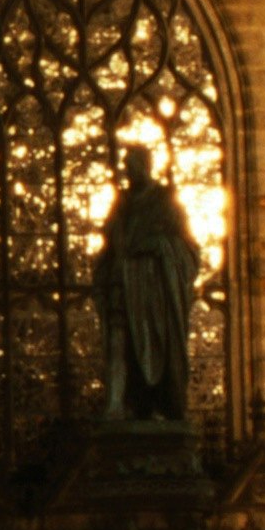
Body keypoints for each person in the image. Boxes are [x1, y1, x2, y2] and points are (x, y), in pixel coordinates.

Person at [92, 143, 200, 426]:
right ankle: (117, 404)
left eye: (132, 167)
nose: (127, 173)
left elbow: (188, 249)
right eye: (126, 168)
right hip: (122, 281)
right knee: (118, 341)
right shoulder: (122, 203)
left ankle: (157, 403)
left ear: (145, 166)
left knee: (154, 345)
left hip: (153, 289)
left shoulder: (165, 201)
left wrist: (159, 245)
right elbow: (111, 241)